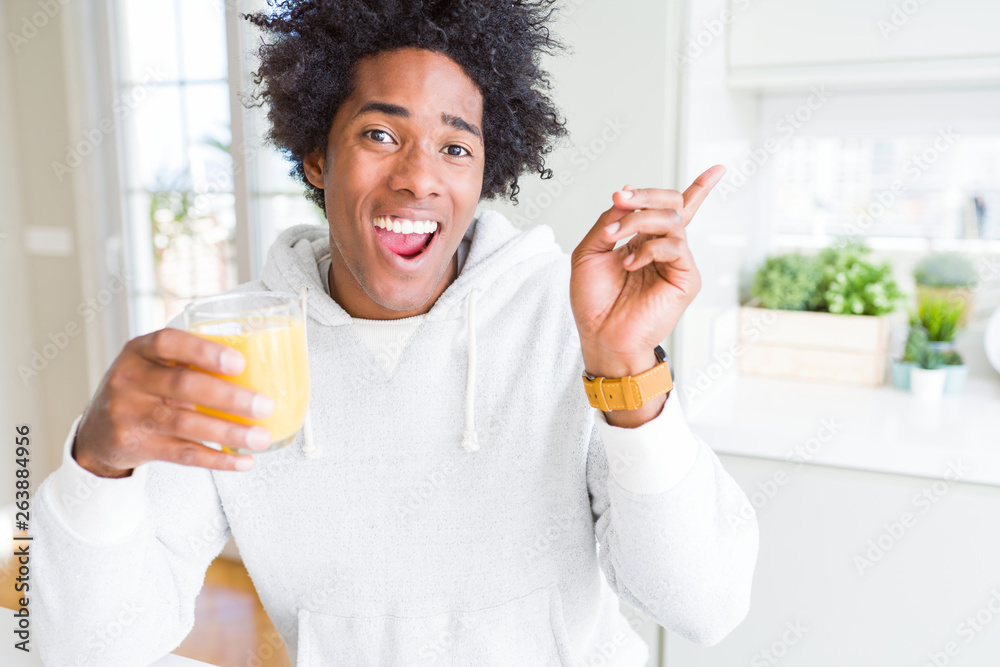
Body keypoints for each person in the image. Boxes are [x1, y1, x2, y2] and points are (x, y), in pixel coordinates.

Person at [32, 1, 759, 664]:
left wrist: (627, 365)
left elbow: (705, 604)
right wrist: (96, 467)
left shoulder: (571, 319)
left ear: (483, 176)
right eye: (380, 133)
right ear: (317, 158)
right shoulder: (236, 347)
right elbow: (87, 647)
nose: (418, 177)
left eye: (455, 147)